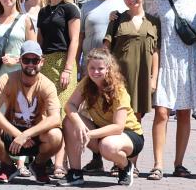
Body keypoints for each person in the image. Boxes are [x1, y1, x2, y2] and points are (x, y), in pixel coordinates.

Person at [145, 0, 196, 181]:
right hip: (166, 62)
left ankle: (179, 163)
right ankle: (157, 163)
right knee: (161, 113)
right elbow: (145, 23)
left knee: (183, 113)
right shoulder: (160, 2)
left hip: (188, 62)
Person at [0, 41, 64, 184]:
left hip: (35, 137)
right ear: (20, 61)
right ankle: (7, 165)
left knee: (56, 135)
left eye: (35, 60)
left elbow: (55, 118)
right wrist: (17, 134)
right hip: (11, 134)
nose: (30, 64)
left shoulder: (47, 85)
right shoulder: (6, 79)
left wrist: (26, 135)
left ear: (42, 62)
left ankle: (39, 165)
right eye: (26, 60)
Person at [58, 49, 144, 186]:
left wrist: (89, 134)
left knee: (107, 146)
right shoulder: (87, 83)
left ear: (108, 69)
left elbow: (118, 127)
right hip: (102, 131)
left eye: (100, 68)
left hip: (128, 134)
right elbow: (70, 105)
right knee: (69, 121)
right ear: (87, 67)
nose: (95, 72)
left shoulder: (118, 89)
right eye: (92, 68)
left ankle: (125, 166)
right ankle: (75, 173)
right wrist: (80, 126)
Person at [77, 0, 128, 174]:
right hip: (89, 69)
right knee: (89, 112)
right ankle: (96, 158)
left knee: (112, 112)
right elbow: (80, 36)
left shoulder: (122, 5)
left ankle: (118, 160)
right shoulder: (87, 7)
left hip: (111, 69)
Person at [37, 0, 81, 180]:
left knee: (62, 114)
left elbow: (74, 41)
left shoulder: (70, 9)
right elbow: (39, 41)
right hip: (46, 63)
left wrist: (68, 69)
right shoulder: (43, 11)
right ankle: (47, 159)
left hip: (64, 62)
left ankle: (59, 163)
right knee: (47, 113)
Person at [105, 0, 158, 127]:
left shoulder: (154, 22)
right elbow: (105, 49)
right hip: (119, 77)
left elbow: (155, 51)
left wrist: (153, 78)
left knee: (136, 118)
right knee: (116, 115)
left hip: (142, 77)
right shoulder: (117, 20)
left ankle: (133, 148)